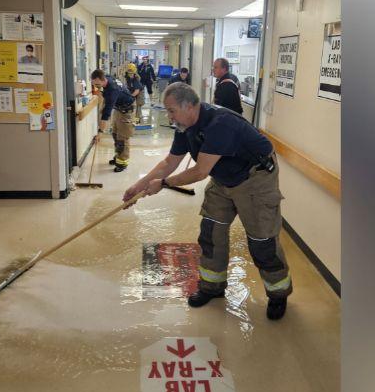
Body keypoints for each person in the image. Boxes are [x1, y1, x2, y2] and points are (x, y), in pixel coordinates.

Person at [122, 83, 291, 320]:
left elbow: (200, 172)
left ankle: (278, 293)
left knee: (261, 240)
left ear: (190, 105)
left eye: (172, 111)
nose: (168, 116)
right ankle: (212, 286)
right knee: (211, 232)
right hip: (223, 177)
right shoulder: (185, 126)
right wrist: (138, 187)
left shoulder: (220, 124)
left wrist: (165, 184)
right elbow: (169, 162)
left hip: (254, 178)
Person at [91, 69, 135, 172]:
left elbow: (106, 115)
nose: (96, 86)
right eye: (94, 84)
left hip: (127, 110)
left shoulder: (112, 91)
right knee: (115, 133)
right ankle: (118, 156)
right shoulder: (106, 77)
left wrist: (100, 133)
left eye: (97, 84)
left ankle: (122, 163)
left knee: (122, 137)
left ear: (101, 80)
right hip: (119, 108)